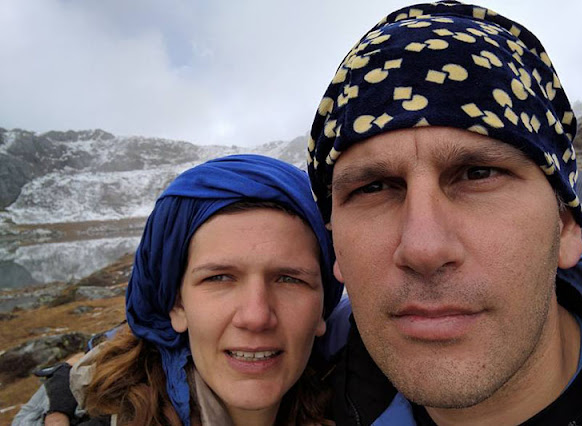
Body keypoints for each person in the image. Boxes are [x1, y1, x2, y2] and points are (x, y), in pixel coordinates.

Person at [306, 1, 582, 424]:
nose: (423, 249)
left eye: (478, 174)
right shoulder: (304, 400)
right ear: (336, 243)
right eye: (373, 187)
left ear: (566, 226)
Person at [15, 154, 343, 425]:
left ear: (322, 307)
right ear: (177, 305)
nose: (256, 317)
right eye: (219, 278)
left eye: (289, 279)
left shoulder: (358, 400)